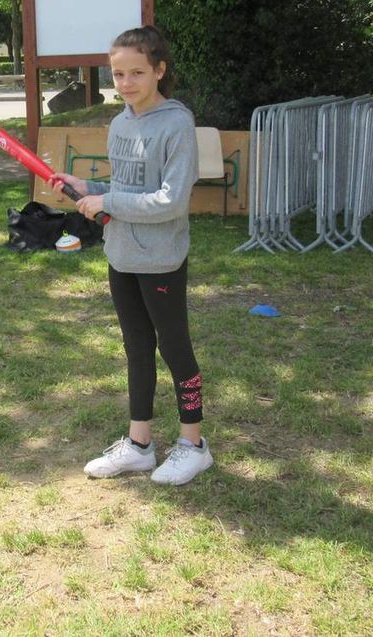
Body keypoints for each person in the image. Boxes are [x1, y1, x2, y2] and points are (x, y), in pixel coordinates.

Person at [50, 25, 212, 486]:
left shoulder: (177, 123)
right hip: (120, 255)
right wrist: (90, 189)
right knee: (136, 350)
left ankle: (193, 445)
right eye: (117, 74)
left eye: (136, 72)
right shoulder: (120, 122)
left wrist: (109, 203)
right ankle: (139, 445)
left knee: (175, 350)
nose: (125, 83)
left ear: (159, 70)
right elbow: (126, 191)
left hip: (161, 259)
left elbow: (171, 201)